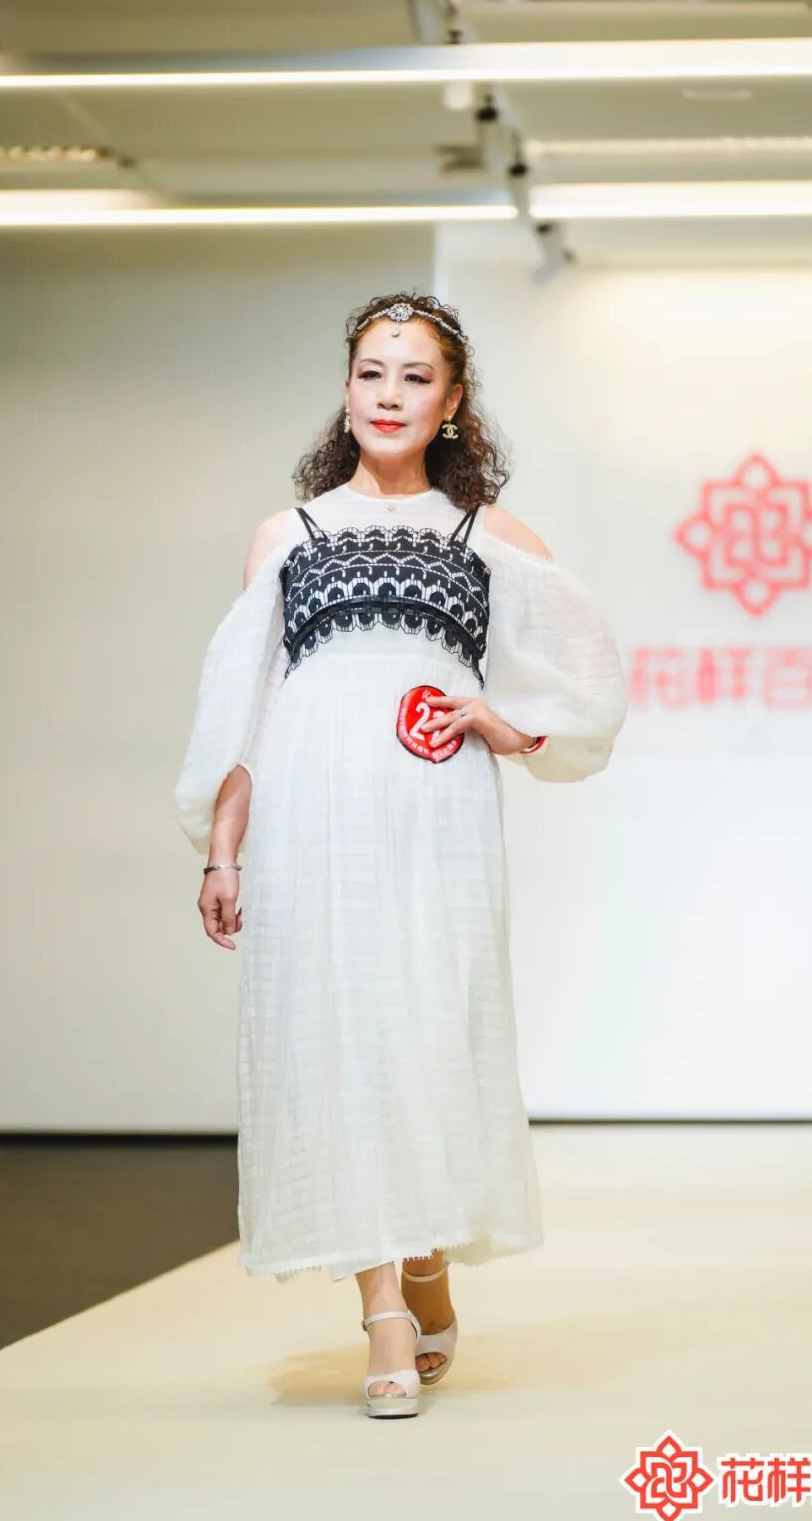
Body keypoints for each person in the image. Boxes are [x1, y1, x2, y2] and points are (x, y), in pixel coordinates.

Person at [175, 291, 628, 1418]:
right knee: (333, 1035)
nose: (390, 395)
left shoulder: (489, 535)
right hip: (310, 813)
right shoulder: (288, 535)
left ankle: (425, 1263)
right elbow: (246, 708)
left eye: (415, 376)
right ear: (346, 391)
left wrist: (501, 722)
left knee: (423, 1032)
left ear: (453, 401)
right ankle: (382, 1307)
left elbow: (587, 685)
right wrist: (223, 851)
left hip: (433, 814)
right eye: (372, 373)